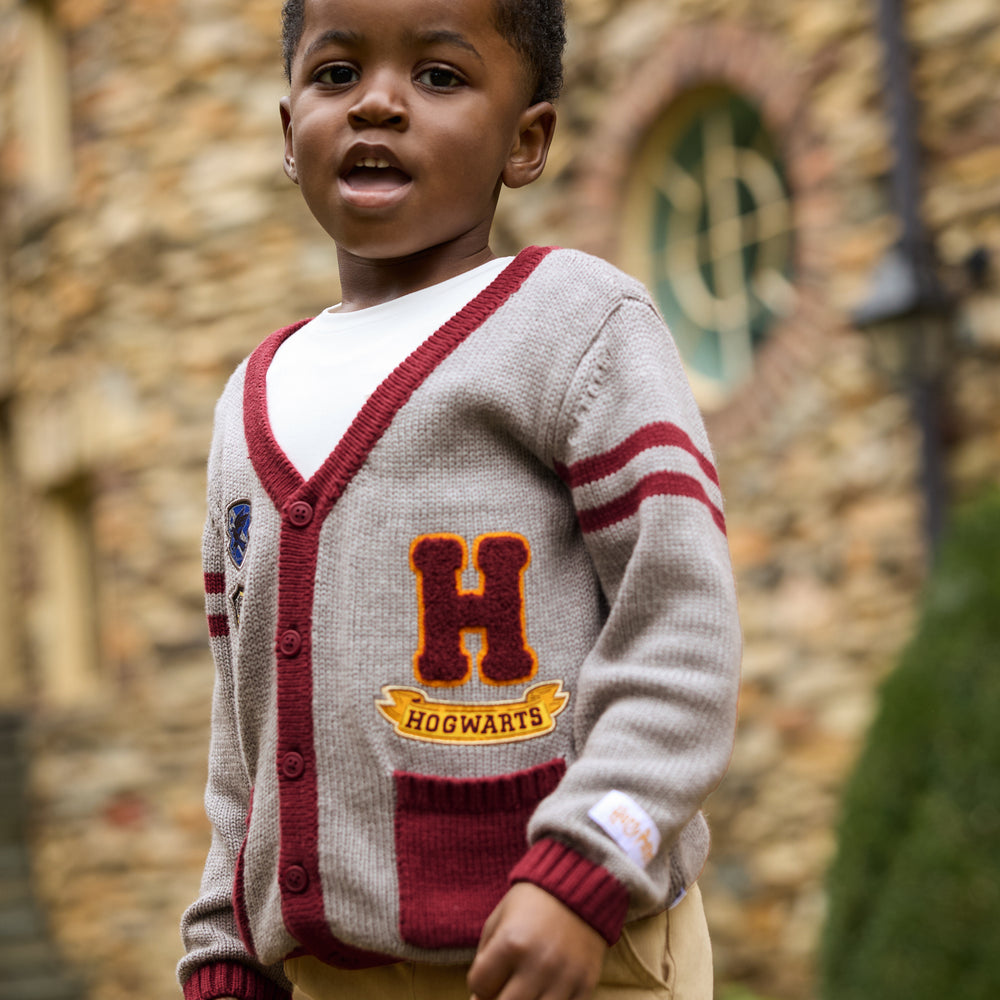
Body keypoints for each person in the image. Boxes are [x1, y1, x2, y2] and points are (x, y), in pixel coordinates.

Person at [178, 0, 741, 997]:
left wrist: (583, 870)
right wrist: (226, 949)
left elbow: (680, 631)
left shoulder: (577, 326)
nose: (378, 105)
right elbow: (243, 734)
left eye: (438, 77)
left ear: (526, 141)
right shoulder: (247, 402)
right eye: (336, 73)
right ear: (285, 130)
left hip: (573, 944)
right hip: (330, 975)